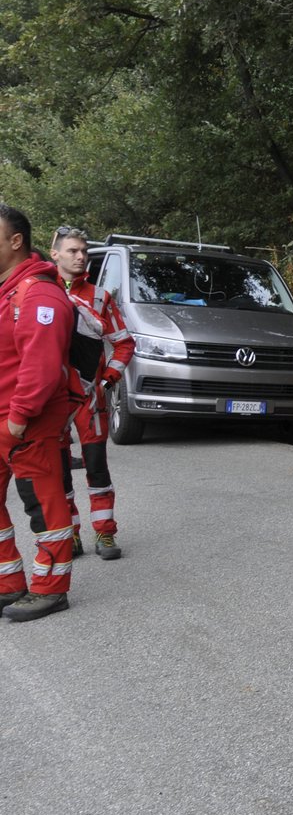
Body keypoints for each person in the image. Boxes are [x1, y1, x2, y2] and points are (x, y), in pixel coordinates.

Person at [0, 204, 77, 622]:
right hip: (4, 420)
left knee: (43, 505)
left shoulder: (39, 292)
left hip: (26, 422)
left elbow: (42, 364)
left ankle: (51, 588)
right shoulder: (6, 291)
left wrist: (19, 415)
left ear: (16, 241)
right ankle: (7, 583)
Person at [51, 227, 133, 560]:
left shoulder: (99, 296)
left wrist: (109, 378)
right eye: (72, 250)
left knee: (97, 467)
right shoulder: (39, 292)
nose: (81, 256)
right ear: (54, 253)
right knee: (57, 472)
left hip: (89, 398)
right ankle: (70, 534)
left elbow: (124, 343)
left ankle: (105, 534)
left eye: (83, 250)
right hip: (50, 401)